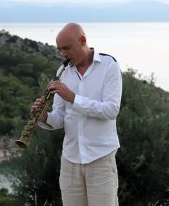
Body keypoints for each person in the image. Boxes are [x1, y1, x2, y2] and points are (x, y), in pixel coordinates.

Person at [31, 22, 122, 206]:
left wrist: (73, 97)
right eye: (59, 50)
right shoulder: (62, 72)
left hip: (101, 158)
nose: (63, 54)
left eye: (66, 48)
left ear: (82, 40)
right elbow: (59, 119)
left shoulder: (109, 66)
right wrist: (43, 117)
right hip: (70, 160)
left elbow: (111, 110)